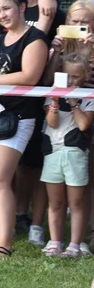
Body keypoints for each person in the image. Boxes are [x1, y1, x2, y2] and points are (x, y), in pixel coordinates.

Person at [0, 0, 48, 258]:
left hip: (19, 116)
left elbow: (30, 76)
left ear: (21, 7)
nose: (2, 14)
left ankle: (4, 244)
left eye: (7, 8)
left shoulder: (35, 38)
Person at [40, 54, 93, 258]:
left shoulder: (88, 95)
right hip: (52, 150)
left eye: (76, 76)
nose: (72, 81)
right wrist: (54, 101)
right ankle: (54, 241)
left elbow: (83, 124)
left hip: (76, 153)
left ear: (85, 75)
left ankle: (75, 245)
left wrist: (73, 103)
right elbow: (52, 122)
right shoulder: (53, 94)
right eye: (68, 76)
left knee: (77, 202)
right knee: (55, 202)